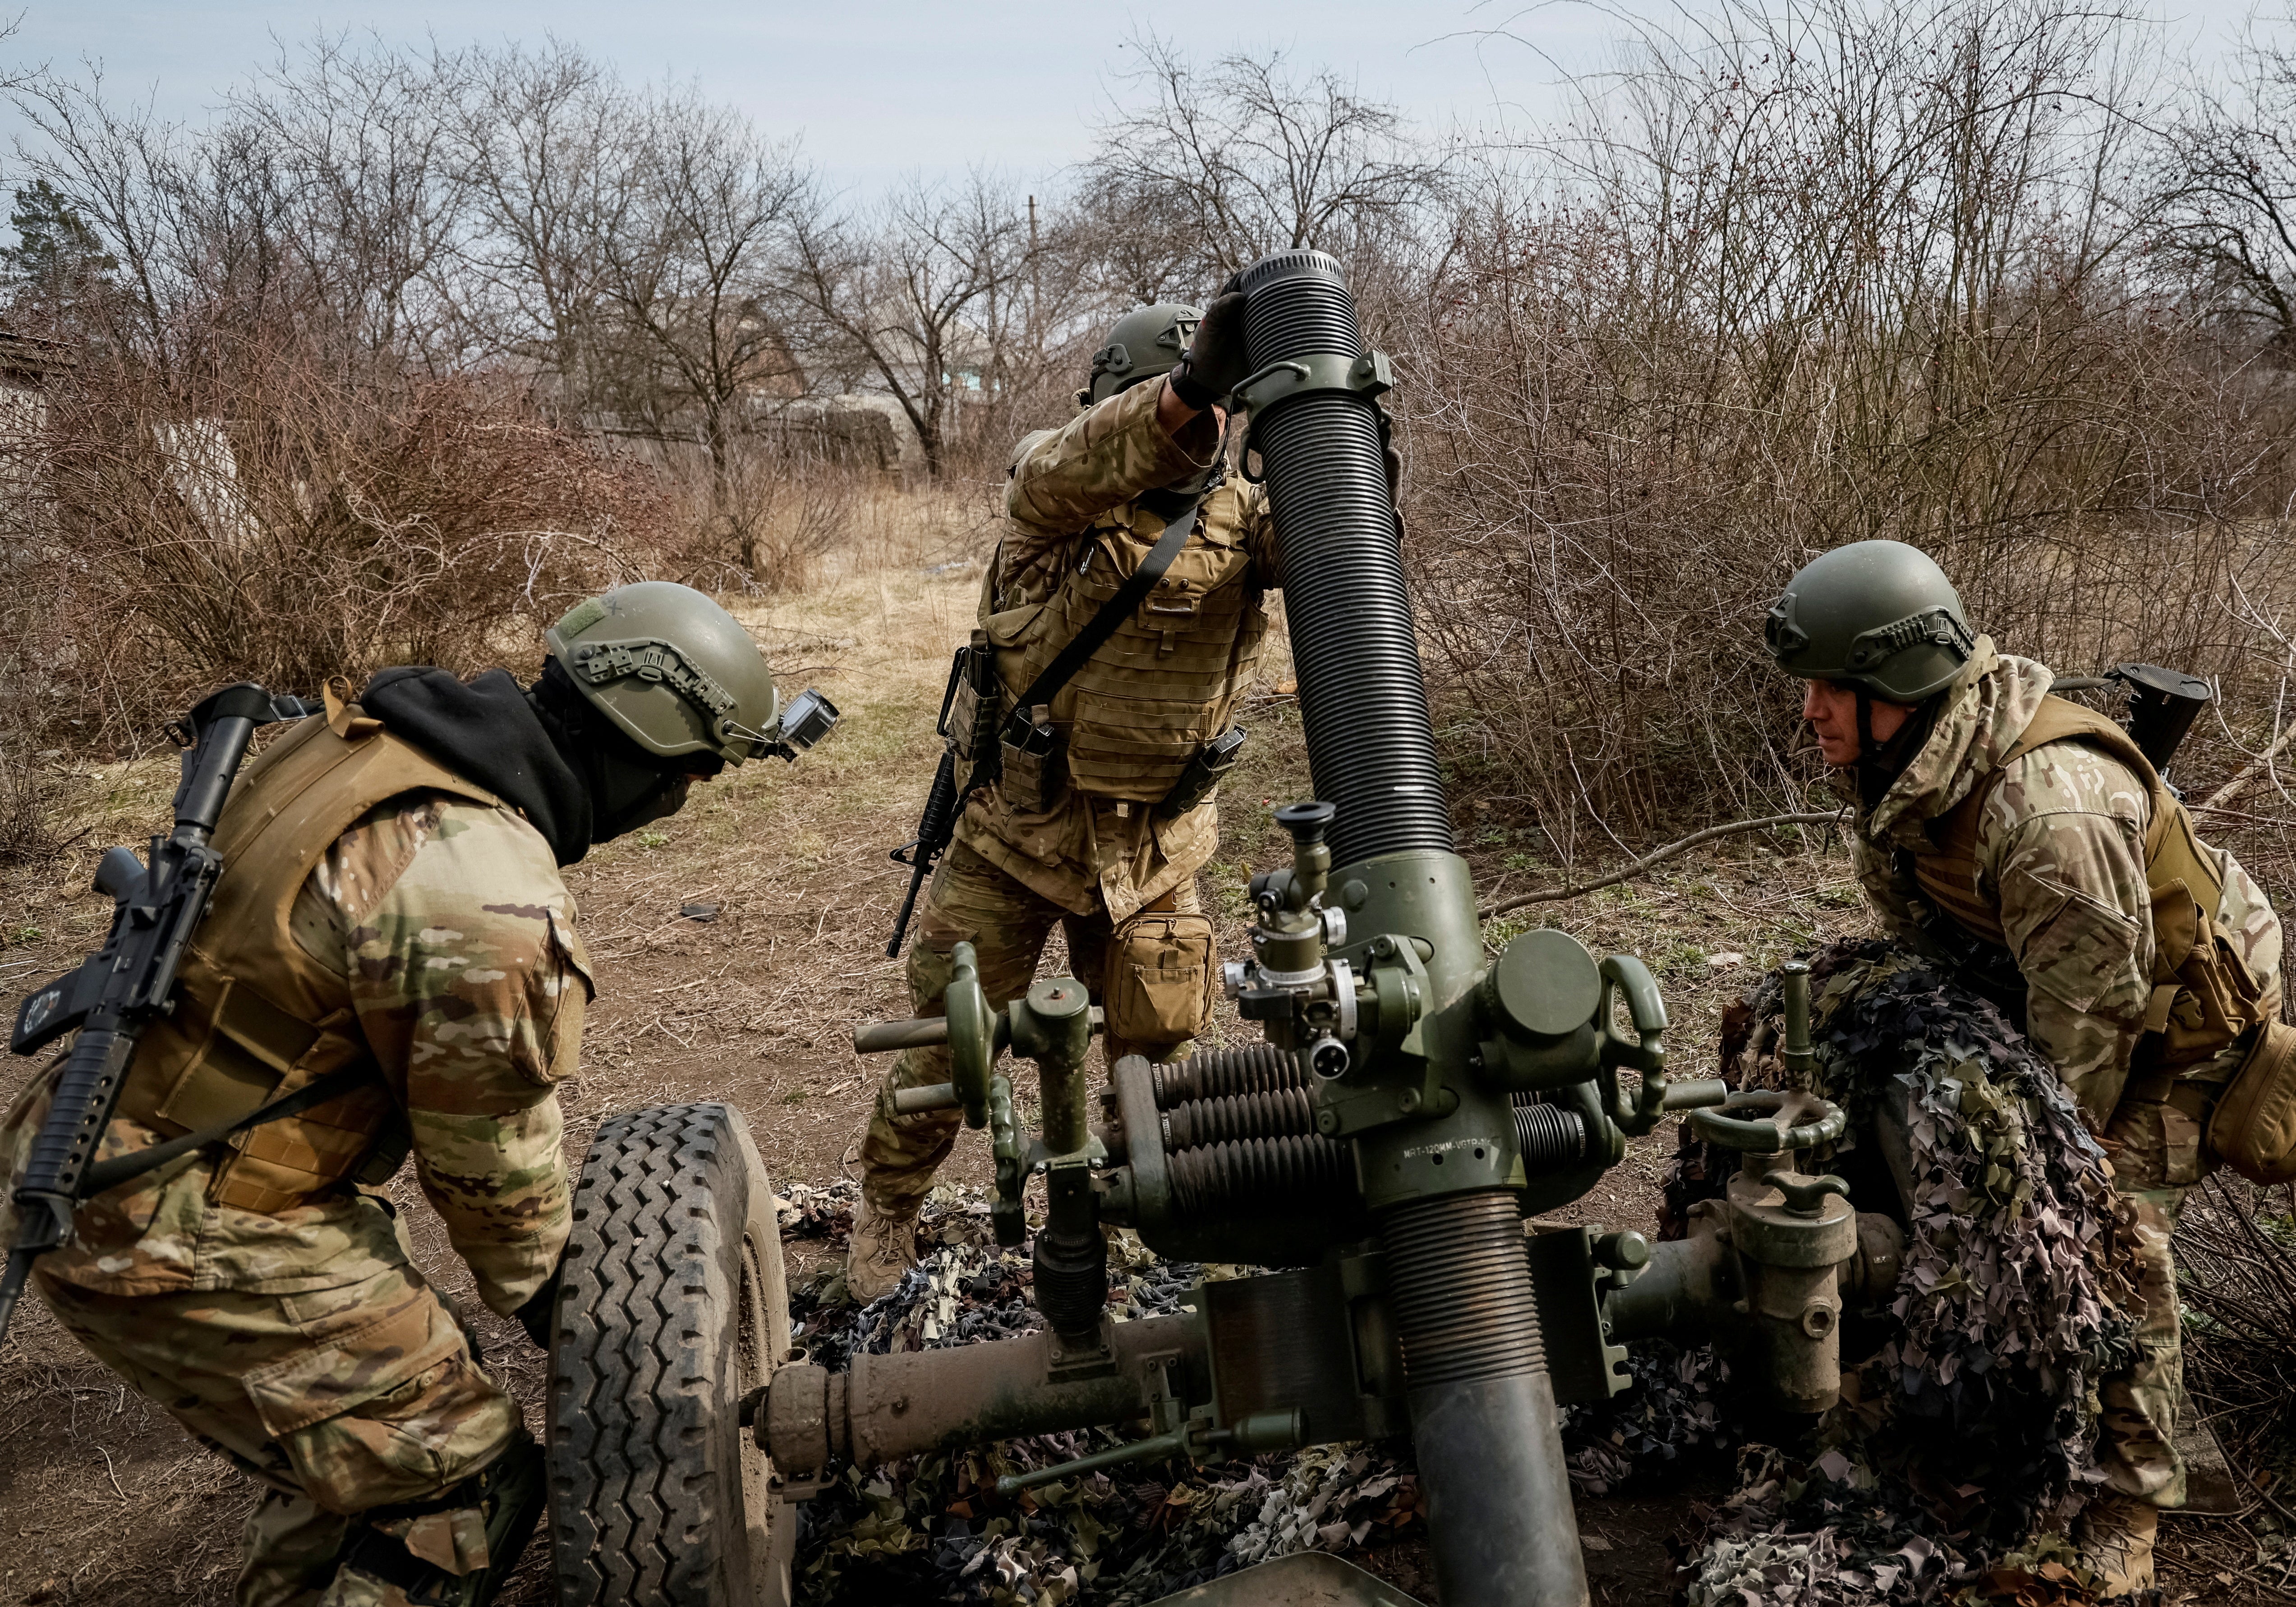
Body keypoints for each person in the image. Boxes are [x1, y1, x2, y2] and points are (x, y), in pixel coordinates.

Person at [0, 582, 790, 1607]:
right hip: (179, 1222)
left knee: (362, 1446)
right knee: (458, 1482)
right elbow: (499, 1202)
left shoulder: (364, 739)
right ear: (643, 754)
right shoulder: (483, 898)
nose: (682, 799)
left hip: (115, 1137)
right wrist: (645, 1349)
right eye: (689, 774)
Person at [1766, 539, 2286, 1595]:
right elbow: (1927, 940)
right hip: (2054, 981)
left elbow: (2086, 1043)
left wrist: (2032, 1181)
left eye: (1831, 688)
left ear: (1896, 688)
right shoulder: (1903, 764)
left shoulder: (2047, 813)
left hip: (2171, 1032)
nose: (1809, 711)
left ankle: (2126, 1498)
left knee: (2101, 1234)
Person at [846, 290, 1283, 1300]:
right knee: (947, 1055)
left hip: (1155, 848)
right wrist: (1189, 387)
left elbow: (1343, 555)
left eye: (1220, 414)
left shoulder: (1246, 515)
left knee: (1163, 1065)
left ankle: (1146, 1217)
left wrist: (1340, 434)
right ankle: (888, 1212)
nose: (1203, 430)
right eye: (1179, 408)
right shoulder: (1052, 494)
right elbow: (1073, 464)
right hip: (1014, 837)